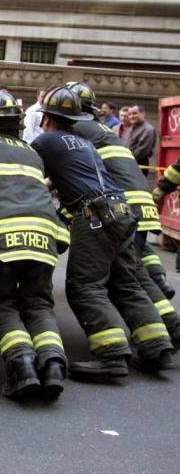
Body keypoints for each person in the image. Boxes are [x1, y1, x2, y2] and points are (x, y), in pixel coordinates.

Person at [31, 86, 173, 379]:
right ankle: (156, 347)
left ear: (47, 118)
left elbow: (28, 173)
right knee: (126, 282)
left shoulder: (46, 141)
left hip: (95, 217)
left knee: (85, 285)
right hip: (122, 212)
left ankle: (111, 355)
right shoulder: (85, 143)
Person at [0, 91, 70, 400]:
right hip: (44, 233)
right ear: (18, 124)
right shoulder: (32, 153)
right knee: (37, 303)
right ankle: (53, 365)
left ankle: (22, 367)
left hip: (2, 234)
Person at [66, 82, 179, 346]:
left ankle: (160, 334)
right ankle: (168, 327)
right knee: (133, 272)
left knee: (127, 277)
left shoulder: (74, 129)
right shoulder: (102, 129)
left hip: (121, 207)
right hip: (139, 203)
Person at [124, 105, 157, 175]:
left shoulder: (148, 130)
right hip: (127, 163)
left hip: (138, 164)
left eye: (134, 113)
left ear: (143, 113)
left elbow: (142, 151)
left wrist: (126, 158)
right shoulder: (129, 129)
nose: (131, 116)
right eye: (129, 114)